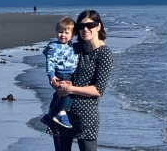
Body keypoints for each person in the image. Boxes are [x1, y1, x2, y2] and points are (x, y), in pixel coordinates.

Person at [48, 10, 113, 151]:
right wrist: (55, 83)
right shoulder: (73, 48)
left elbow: (98, 90)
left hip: (86, 115)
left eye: (90, 25)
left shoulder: (104, 53)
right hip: (61, 111)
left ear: (98, 26)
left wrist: (70, 89)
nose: (85, 29)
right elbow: (54, 65)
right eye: (81, 26)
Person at [41, 16, 79, 128]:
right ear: (56, 32)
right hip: (61, 73)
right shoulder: (54, 47)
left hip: (70, 73)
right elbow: (50, 62)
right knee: (68, 92)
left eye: (66, 33)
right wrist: (51, 76)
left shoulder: (72, 46)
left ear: (72, 35)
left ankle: (49, 116)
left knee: (58, 95)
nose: (63, 35)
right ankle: (62, 113)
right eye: (60, 32)